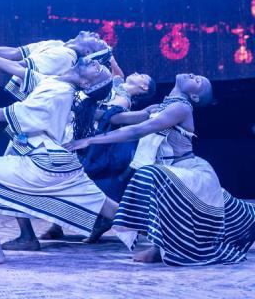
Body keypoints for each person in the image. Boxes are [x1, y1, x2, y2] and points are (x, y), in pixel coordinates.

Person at [0, 49, 120, 264]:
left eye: (98, 69)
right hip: (56, 160)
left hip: (44, 163)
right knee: (104, 204)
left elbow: (5, 114)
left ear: (86, 83)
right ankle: (154, 236)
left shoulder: (58, 93)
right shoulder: (57, 82)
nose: (94, 63)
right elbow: (18, 70)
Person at [65, 73, 255, 266]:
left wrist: (89, 140)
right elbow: (117, 119)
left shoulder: (182, 107)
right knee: (238, 214)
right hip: (169, 169)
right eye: (196, 76)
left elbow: (137, 131)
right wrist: (73, 106)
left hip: (188, 170)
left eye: (197, 81)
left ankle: (159, 248)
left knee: (150, 175)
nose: (193, 75)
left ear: (195, 97)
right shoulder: (160, 108)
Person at [40, 72, 157, 243]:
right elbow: (115, 69)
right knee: (61, 178)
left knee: (74, 180)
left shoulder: (123, 99)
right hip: (76, 130)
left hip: (90, 138)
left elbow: (106, 116)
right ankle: (57, 225)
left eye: (142, 76)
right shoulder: (117, 83)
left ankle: (106, 222)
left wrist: (73, 108)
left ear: (144, 87)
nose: (137, 73)